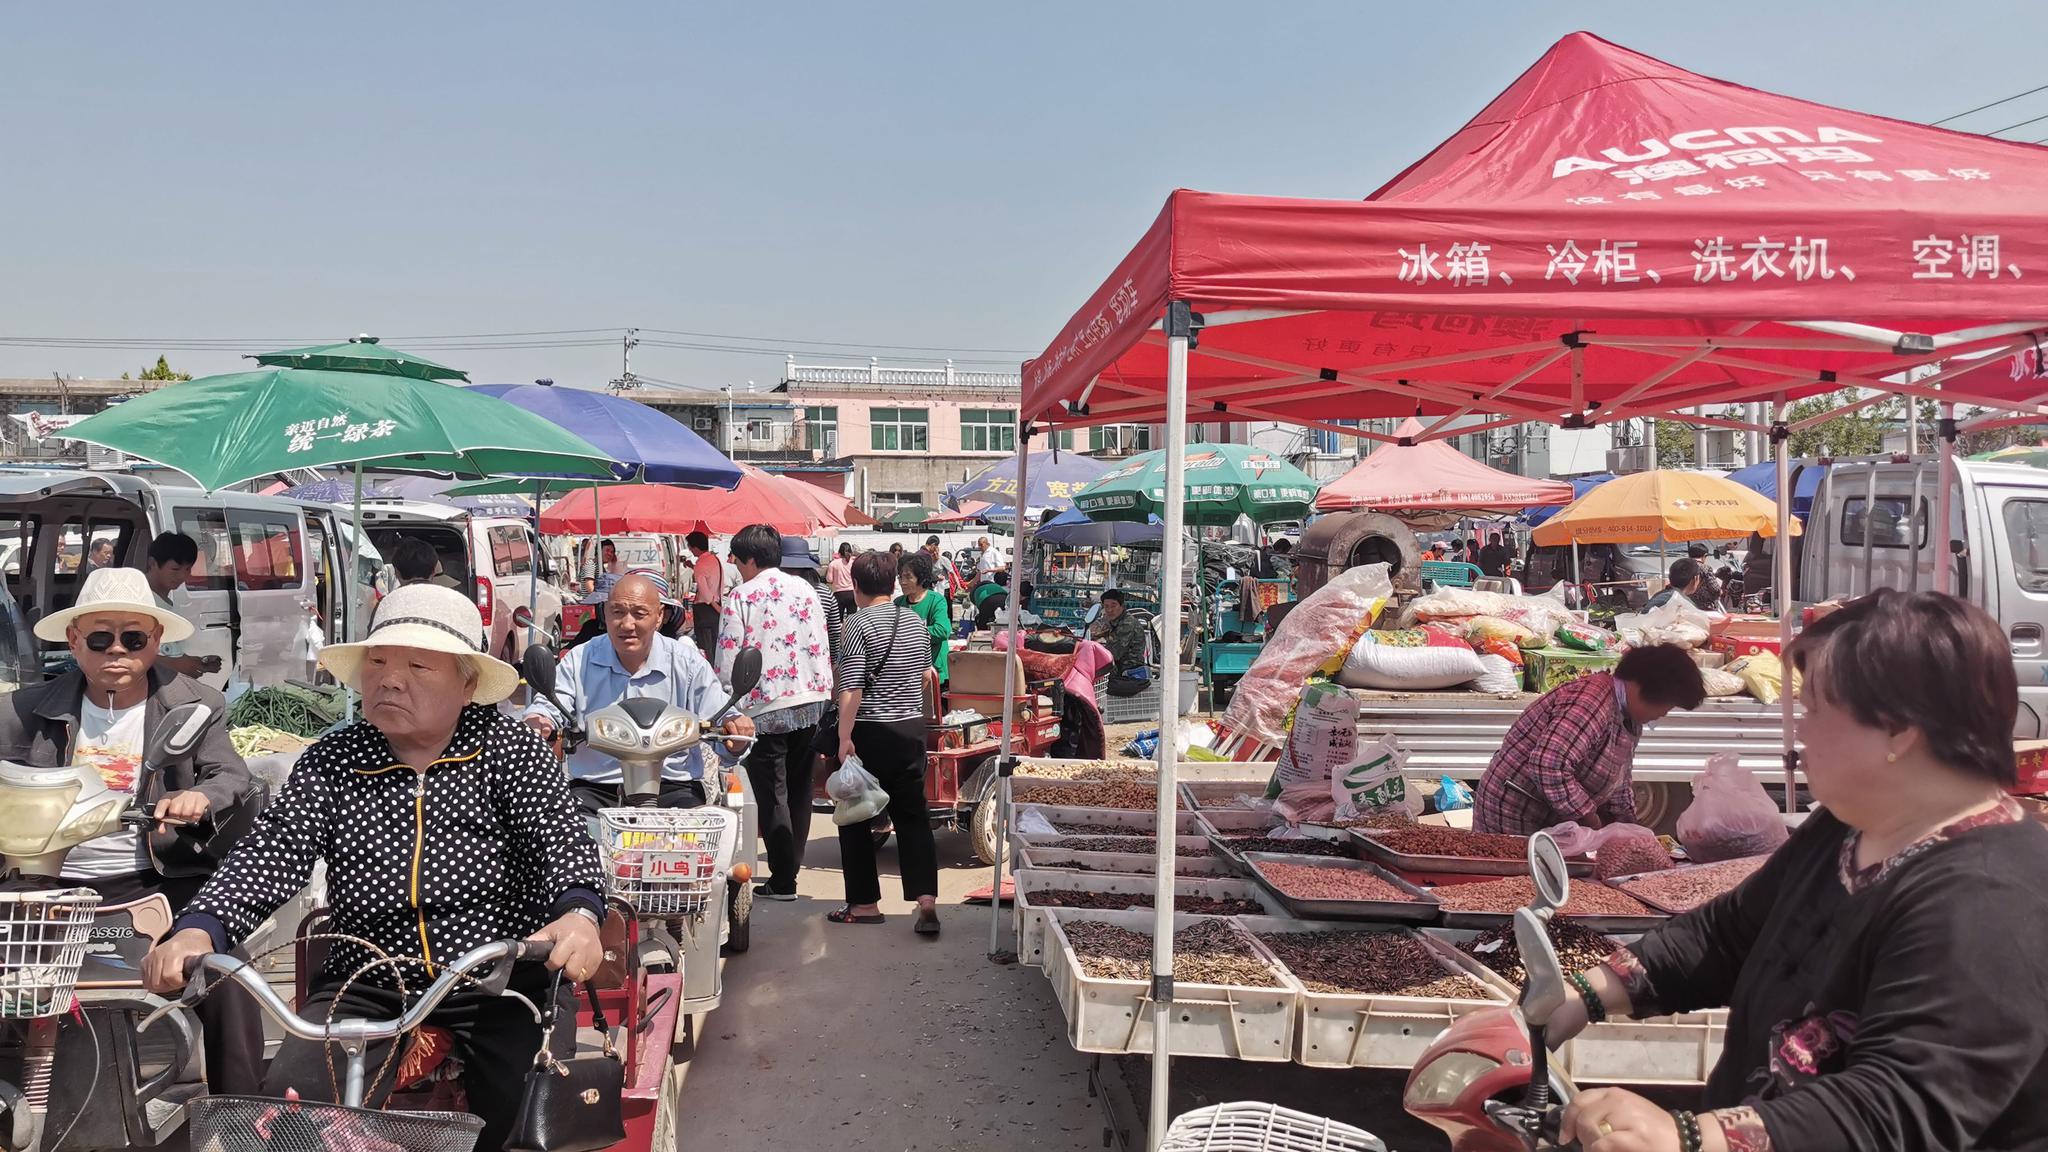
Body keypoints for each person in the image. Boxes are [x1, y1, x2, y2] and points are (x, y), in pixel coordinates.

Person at [1554, 590, 2048, 1152]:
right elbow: (1730, 932)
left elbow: (1899, 1108)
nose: (1800, 734)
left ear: (1897, 730)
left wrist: (1690, 1136)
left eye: (1814, 709)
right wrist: (1582, 995)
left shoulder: (1991, 896)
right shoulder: (1849, 826)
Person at [145, 584, 605, 1152]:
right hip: (365, 981)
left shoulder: (511, 751)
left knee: (525, 1125)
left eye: (417, 665)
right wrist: (200, 927)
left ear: (467, 683)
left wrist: (579, 914)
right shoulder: (334, 759)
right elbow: (272, 852)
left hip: (499, 980)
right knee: (290, 1121)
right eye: (379, 661)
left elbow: (561, 841)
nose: (390, 678)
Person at [0, 567, 262, 1093]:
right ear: (74, 642)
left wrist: (198, 797)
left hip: (157, 879)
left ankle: (243, 1113)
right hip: (45, 886)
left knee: (228, 972)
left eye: (133, 637)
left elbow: (231, 774)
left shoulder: (195, 705)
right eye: (99, 637)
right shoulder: (24, 709)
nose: (115, 650)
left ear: (155, 641)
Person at [526, 573, 752, 820]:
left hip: (674, 788)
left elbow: (721, 715)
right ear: (605, 614)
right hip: (595, 789)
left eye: (639, 613)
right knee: (564, 842)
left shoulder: (688, 663)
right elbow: (549, 705)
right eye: (617, 612)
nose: (627, 624)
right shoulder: (580, 660)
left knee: (702, 850)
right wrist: (540, 721)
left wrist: (735, 729)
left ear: (659, 617)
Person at [716, 526, 834, 901]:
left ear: (749, 559)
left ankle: (784, 880)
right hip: (811, 697)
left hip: (764, 705)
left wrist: (725, 707)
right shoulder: (807, 590)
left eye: (736, 559)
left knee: (773, 793)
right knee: (800, 789)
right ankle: (789, 871)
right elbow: (821, 640)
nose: (735, 566)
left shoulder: (742, 595)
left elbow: (729, 656)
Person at [1473, 645, 1705, 834]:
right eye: (1667, 705)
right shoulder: (1591, 701)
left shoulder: (1629, 716)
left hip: (1547, 817)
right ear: (1644, 689)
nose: (1664, 714)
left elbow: (1619, 781)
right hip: (1514, 812)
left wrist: (1629, 827)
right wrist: (1589, 818)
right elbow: (1549, 764)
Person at [831, 552, 940, 935]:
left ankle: (864, 904)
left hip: (871, 732)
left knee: (856, 816)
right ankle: (925, 899)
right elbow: (927, 676)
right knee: (913, 816)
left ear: (857, 586)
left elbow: (852, 687)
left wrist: (844, 737)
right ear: (893, 583)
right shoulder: (914, 621)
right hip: (911, 730)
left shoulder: (857, 623)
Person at [143, 531, 222, 679]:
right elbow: (133, 654)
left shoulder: (164, 601)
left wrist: (196, 663)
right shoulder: (141, 601)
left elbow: (166, 652)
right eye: (175, 569)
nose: (182, 576)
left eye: (187, 569)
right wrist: (178, 665)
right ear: (152, 563)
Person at [1090, 589, 1151, 696]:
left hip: (1127, 673)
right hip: (1118, 669)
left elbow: (1113, 653)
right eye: (1106, 606)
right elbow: (1096, 633)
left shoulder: (1127, 624)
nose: (1109, 610)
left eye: (1113, 606)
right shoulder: (1113, 621)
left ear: (1122, 606)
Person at [687, 532, 723, 659]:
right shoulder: (715, 560)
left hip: (705, 609)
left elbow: (705, 593)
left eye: (690, 547)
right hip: (716, 607)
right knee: (715, 645)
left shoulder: (701, 564)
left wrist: (714, 605)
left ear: (695, 547)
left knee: (705, 647)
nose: (690, 550)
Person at [827, 541, 857, 618]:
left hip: (838, 594)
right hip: (852, 593)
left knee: (838, 619)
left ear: (839, 553)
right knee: (852, 619)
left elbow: (829, 579)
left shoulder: (833, 564)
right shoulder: (854, 563)